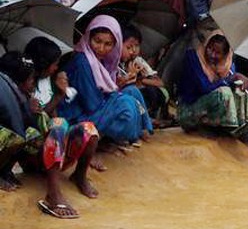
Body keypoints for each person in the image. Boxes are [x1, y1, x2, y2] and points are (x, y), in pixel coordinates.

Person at [3, 45, 102, 218]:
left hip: (52, 151)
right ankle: (53, 194)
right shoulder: (10, 98)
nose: (33, 82)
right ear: (19, 81)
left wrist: (50, 102)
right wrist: (29, 110)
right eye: (30, 79)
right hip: (33, 157)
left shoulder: (35, 93)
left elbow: (51, 119)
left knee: (89, 129)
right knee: (58, 123)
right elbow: (18, 132)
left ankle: (79, 176)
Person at [59, 16, 152, 145]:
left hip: (94, 107)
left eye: (108, 44)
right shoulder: (82, 62)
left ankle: (142, 129)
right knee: (126, 104)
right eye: (97, 41)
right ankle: (99, 140)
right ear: (89, 37)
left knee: (132, 91)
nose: (101, 48)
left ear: (115, 44)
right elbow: (92, 103)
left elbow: (105, 91)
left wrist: (118, 86)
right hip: (78, 116)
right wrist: (115, 96)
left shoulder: (100, 60)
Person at [177, 30, 248, 136]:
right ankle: (227, 127)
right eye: (210, 49)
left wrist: (236, 80)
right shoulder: (193, 58)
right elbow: (205, 87)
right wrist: (226, 81)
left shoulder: (226, 66)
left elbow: (233, 83)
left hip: (210, 112)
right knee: (223, 92)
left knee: (240, 90)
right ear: (206, 45)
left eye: (218, 53)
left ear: (225, 54)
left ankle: (243, 128)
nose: (212, 55)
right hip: (187, 112)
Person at [119, 25, 170, 125]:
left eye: (137, 46)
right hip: (126, 97)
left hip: (143, 95)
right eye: (128, 47)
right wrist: (129, 76)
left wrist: (141, 79)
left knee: (159, 91)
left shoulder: (139, 61)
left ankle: (151, 114)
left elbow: (160, 83)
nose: (133, 51)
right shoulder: (115, 64)